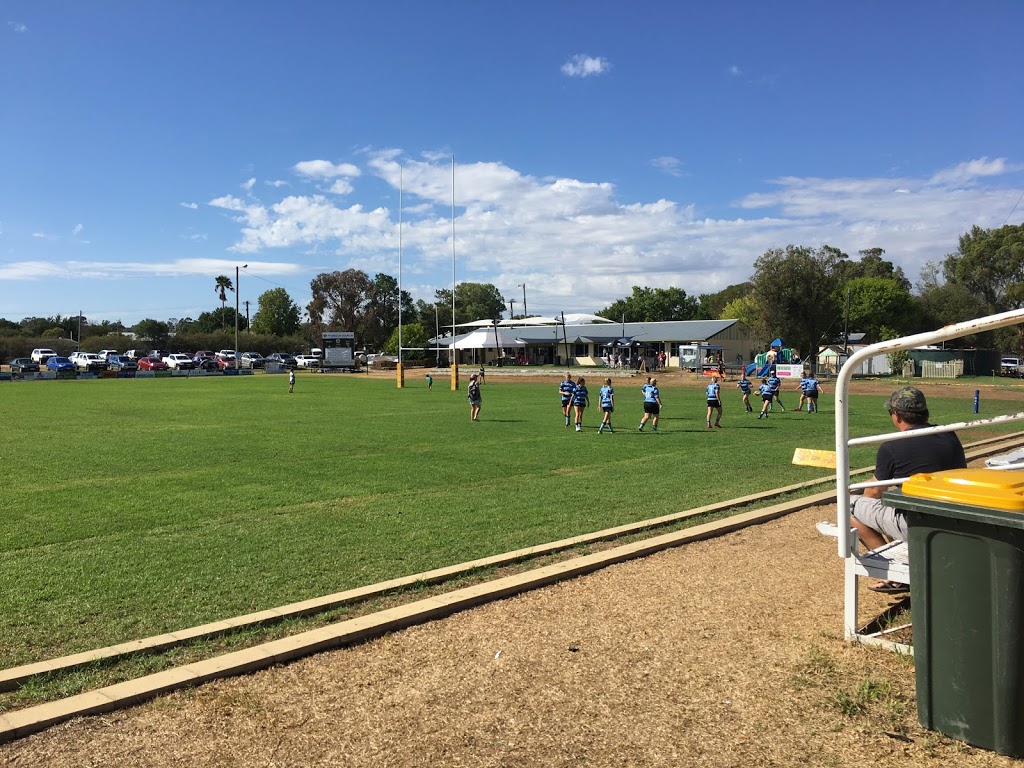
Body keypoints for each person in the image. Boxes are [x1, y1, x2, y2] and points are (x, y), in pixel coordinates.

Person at [852, 387, 966, 593]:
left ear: (896, 416)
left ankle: (891, 572)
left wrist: (857, 494)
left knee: (848, 507)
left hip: (917, 522)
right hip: (953, 515)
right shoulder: (948, 435)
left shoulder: (893, 447)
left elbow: (873, 494)